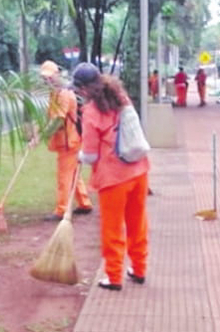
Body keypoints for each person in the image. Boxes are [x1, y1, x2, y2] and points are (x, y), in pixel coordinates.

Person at [73, 62, 150, 291]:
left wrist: (79, 156)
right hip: (139, 170)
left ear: (85, 89)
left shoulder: (91, 112)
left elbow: (90, 155)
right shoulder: (121, 98)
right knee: (138, 223)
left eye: (79, 89)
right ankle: (139, 268)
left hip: (113, 178)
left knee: (112, 227)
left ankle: (114, 276)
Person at [38, 60, 93, 222]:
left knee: (64, 176)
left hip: (70, 141)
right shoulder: (56, 93)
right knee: (74, 173)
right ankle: (85, 203)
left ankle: (61, 210)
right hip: (68, 140)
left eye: (49, 77)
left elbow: (58, 120)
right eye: (45, 78)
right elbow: (51, 117)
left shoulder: (63, 94)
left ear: (56, 75)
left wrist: (42, 135)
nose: (47, 80)